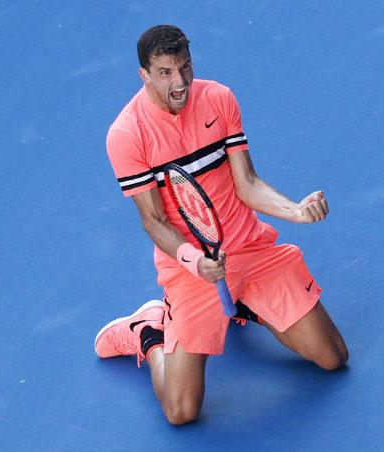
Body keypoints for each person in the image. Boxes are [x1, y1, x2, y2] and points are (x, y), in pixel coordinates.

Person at [95, 24, 348, 425]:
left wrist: (295, 210)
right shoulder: (127, 135)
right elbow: (154, 221)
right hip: (191, 270)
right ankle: (148, 331)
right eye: (165, 73)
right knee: (181, 412)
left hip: (249, 251)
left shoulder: (219, 99)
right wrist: (196, 262)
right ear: (144, 75)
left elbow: (246, 184)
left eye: (185, 67)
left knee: (333, 357)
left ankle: (248, 303)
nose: (180, 83)